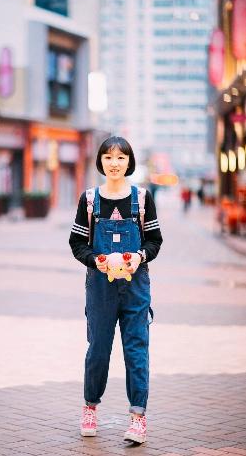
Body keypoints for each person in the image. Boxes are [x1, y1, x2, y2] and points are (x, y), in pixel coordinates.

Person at [69, 136, 163, 443]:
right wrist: (97, 260)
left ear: (129, 163)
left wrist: (139, 256)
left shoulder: (143, 199)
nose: (114, 163)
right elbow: (76, 243)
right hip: (100, 287)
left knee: (136, 350)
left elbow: (154, 241)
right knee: (98, 349)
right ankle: (90, 408)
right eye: (108, 158)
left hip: (135, 287)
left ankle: (138, 418)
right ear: (100, 162)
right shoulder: (89, 200)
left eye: (121, 158)